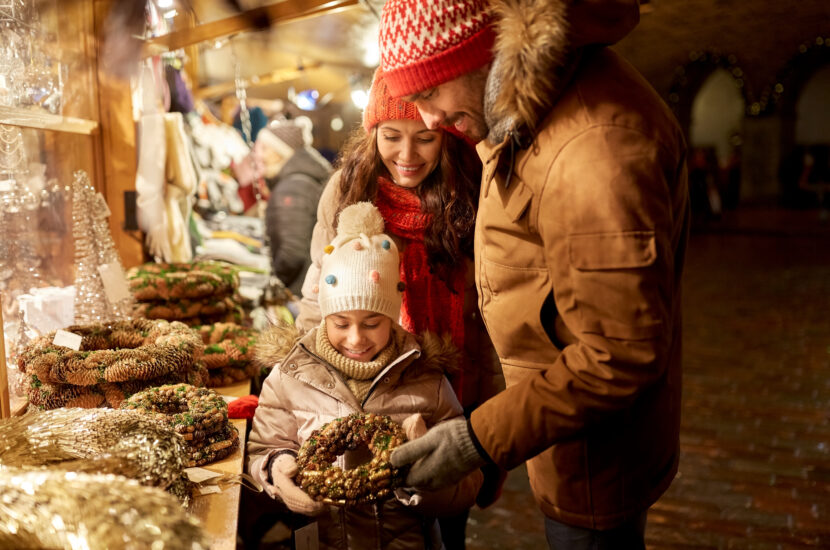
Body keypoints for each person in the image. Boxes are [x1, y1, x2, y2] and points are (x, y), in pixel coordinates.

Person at [377, 0, 690, 548]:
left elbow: (617, 354)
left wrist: (475, 438)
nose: (428, 120)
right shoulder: (529, 108)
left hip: (596, 454)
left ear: (483, 56)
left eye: (430, 94)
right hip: (563, 426)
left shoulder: (593, 148)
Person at [296, 69, 506, 548]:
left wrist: (495, 412)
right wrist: (310, 382)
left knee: (450, 515)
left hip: (456, 382)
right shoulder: (347, 191)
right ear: (373, 134)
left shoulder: (470, 193)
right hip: (370, 381)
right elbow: (319, 293)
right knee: (376, 516)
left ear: (445, 137)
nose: (406, 156)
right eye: (391, 136)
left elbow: (489, 311)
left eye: (425, 139)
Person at [248, 202, 483, 549]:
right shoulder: (290, 377)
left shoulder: (427, 382)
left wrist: (420, 475)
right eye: (341, 324)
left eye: (372, 323)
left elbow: (468, 484)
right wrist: (278, 470)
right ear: (324, 315)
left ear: (394, 318)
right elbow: (262, 449)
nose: (356, 338)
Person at [264, 118, 333, 298]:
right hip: (309, 284)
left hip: (299, 290)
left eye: (266, 149)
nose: (261, 156)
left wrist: (275, 283)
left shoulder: (293, 187)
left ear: (279, 152)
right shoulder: (301, 178)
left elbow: (292, 252)